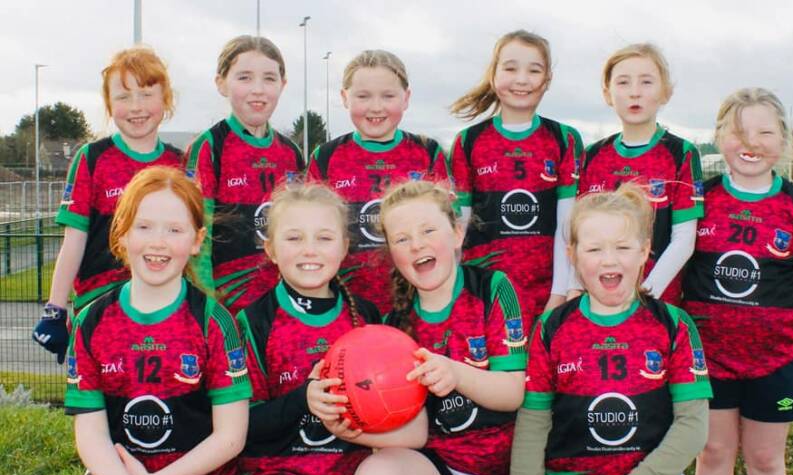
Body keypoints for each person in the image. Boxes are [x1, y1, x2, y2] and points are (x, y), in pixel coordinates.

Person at [511, 182, 712, 475]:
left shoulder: (674, 325)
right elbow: (533, 425)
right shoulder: (551, 327)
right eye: (593, 249)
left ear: (644, 251)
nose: (609, 260)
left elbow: (692, 428)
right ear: (573, 255)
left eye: (622, 247)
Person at [684, 88, 793, 475]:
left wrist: (773, 323)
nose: (751, 143)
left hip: (775, 361)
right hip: (709, 359)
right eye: (739, 131)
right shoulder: (701, 200)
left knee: (766, 458)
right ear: (719, 137)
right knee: (713, 453)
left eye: (765, 133)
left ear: (783, 140)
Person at [64, 166, 252, 475]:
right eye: (145, 227)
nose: (158, 243)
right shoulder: (91, 323)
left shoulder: (214, 323)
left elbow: (231, 437)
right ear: (122, 234)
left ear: (197, 240)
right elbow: (91, 433)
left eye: (174, 230)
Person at [347, 180, 527, 475]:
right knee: (377, 474)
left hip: (504, 474)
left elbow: (512, 393)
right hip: (439, 472)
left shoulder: (492, 288)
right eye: (402, 239)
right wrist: (346, 426)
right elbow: (414, 432)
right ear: (391, 253)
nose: (416, 245)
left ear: (457, 234)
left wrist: (455, 373)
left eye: (428, 231)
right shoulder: (394, 328)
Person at [33, 46, 183, 363]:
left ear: (165, 99)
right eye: (123, 97)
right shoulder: (92, 159)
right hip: (99, 310)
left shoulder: (178, 164)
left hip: (164, 310)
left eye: (146, 94)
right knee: (97, 408)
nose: (136, 107)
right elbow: (74, 241)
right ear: (109, 105)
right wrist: (55, 309)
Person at [237, 182, 385, 475]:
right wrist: (303, 399)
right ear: (271, 250)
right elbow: (242, 425)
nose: (310, 250)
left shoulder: (367, 317)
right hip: (281, 472)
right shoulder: (253, 321)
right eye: (293, 238)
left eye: (324, 238)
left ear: (344, 248)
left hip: (357, 472)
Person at [449, 30, 583, 331]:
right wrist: (456, 293)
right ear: (494, 74)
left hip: (546, 297)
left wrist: (559, 294)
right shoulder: (469, 142)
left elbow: (567, 226)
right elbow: (460, 227)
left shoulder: (564, 139)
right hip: (483, 295)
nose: (522, 79)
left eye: (534, 70)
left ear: (546, 81)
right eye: (510, 68)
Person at [305, 49, 450, 314]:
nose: (375, 107)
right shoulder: (325, 157)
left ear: (406, 99)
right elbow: (311, 235)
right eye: (363, 96)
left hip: (416, 306)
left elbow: (445, 233)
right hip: (346, 307)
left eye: (388, 96)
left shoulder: (427, 152)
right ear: (344, 98)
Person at [567, 43, 703, 305]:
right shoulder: (592, 156)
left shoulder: (681, 153)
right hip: (597, 304)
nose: (635, 93)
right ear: (607, 94)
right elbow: (579, 234)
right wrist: (575, 290)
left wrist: (642, 295)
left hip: (654, 301)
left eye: (646, 82)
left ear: (665, 92)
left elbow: (684, 239)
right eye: (624, 83)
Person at [187, 35, 305, 314]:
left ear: (282, 85)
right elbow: (197, 233)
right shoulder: (210, 146)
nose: (258, 90)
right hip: (227, 309)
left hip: (283, 306)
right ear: (221, 84)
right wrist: (207, 305)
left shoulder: (291, 153)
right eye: (244, 78)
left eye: (269, 78)